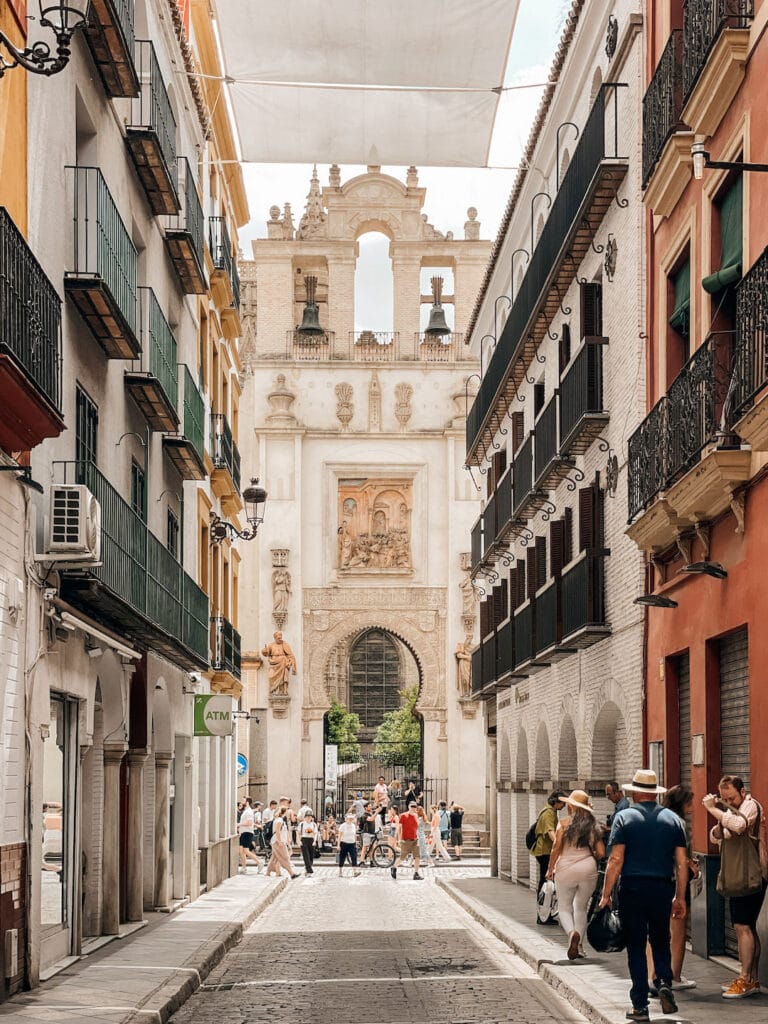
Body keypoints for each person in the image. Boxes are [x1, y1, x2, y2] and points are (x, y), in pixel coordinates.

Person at [599, 769, 688, 1022]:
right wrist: (679, 897)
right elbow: (681, 863)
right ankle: (663, 982)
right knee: (661, 939)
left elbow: (616, 859)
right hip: (662, 887)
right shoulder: (673, 820)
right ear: (655, 793)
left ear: (636, 792)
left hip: (633, 888)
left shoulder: (624, 818)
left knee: (636, 946)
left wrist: (606, 895)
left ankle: (640, 1005)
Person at [703, 774, 767, 999]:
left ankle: (745, 978)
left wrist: (714, 810)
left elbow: (738, 827)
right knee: (745, 926)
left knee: (742, 927)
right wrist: (722, 823)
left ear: (742, 792)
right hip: (740, 875)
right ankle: (752, 979)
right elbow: (716, 836)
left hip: (752, 876)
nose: (729, 802)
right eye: (724, 799)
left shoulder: (750, 806)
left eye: (731, 798)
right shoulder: (732, 810)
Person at [644, 785, 699, 991]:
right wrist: (689, 866)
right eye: (690, 802)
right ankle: (674, 976)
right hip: (675, 881)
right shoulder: (679, 824)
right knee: (677, 930)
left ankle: (652, 975)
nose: (692, 806)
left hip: (652, 879)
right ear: (682, 803)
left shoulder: (653, 820)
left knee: (654, 930)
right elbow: (679, 859)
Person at [546, 790, 605, 959]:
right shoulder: (593, 824)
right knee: (581, 907)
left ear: (571, 805)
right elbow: (600, 852)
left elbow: (556, 848)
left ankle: (572, 934)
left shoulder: (563, 824)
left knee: (564, 907)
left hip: (565, 868)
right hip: (588, 867)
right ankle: (579, 947)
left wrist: (550, 869)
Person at [530, 792, 566, 891]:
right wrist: (560, 845)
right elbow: (551, 832)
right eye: (563, 803)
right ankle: (542, 901)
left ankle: (543, 901)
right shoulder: (549, 813)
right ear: (556, 802)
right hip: (544, 850)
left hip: (545, 849)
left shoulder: (550, 811)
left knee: (546, 877)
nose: (564, 806)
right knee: (545, 877)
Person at [265, 807, 300, 879]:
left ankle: (268, 872)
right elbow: (277, 831)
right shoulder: (280, 820)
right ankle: (292, 873)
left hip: (276, 841)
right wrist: (279, 841)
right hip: (278, 841)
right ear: (285, 812)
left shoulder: (278, 820)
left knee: (274, 858)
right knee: (285, 857)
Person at [392, 802, 423, 880]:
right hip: (406, 840)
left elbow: (416, 827)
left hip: (415, 839)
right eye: (411, 806)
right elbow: (399, 827)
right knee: (403, 857)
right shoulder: (403, 815)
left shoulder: (416, 816)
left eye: (414, 807)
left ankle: (416, 873)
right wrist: (397, 838)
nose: (413, 808)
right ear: (408, 807)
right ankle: (394, 867)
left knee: (417, 857)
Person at [237, 798, 262, 872]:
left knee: (246, 850)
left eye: (243, 801)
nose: (241, 802)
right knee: (241, 851)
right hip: (243, 832)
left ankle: (259, 862)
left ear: (247, 802)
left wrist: (238, 824)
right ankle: (244, 867)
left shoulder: (249, 812)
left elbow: (249, 823)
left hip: (247, 833)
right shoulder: (246, 811)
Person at [337, 812, 362, 878]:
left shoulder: (353, 826)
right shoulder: (342, 826)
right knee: (342, 857)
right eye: (349, 818)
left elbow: (354, 835)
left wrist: (356, 842)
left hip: (352, 843)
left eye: (351, 819)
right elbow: (339, 836)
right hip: (344, 843)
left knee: (354, 857)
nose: (350, 820)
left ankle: (355, 871)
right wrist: (338, 845)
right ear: (346, 819)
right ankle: (340, 871)